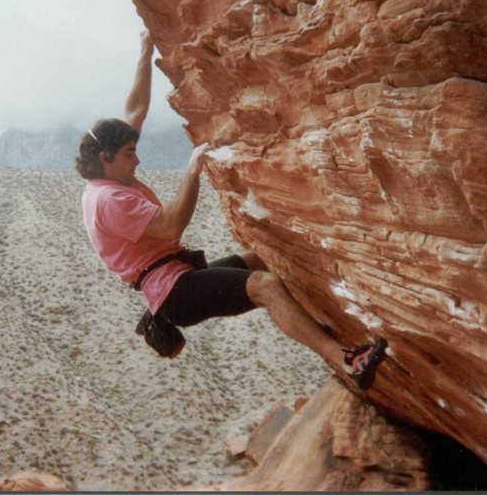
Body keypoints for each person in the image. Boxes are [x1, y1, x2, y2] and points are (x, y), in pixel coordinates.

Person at [75, 32, 387, 390]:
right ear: (105, 158)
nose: (138, 158)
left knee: (258, 259)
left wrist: (145, 52)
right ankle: (346, 360)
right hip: (173, 291)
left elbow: (134, 111)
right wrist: (192, 171)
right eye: (130, 153)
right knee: (265, 285)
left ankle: (321, 327)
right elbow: (172, 223)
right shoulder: (108, 200)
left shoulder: (108, 178)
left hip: (178, 275)